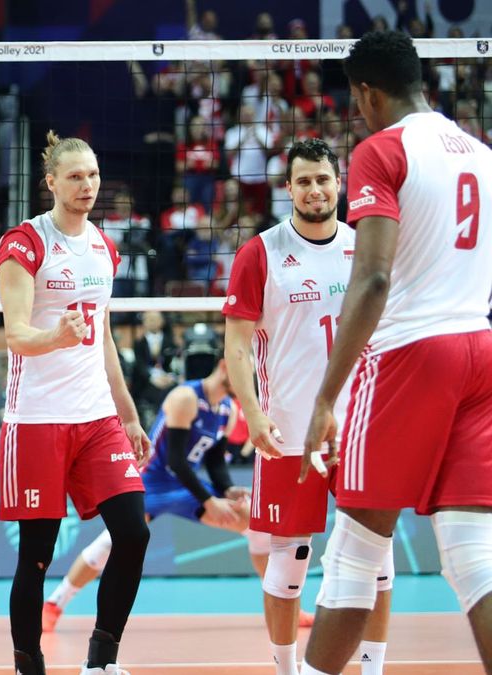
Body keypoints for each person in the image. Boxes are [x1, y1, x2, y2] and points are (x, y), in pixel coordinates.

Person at [299, 32, 492, 674]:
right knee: (474, 557)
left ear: (367, 93)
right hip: (480, 346)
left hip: (412, 353)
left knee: (355, 549)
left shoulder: (382, 150)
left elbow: (373, 278)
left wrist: (326, 398)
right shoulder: (481, 154)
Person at [223, 138, 394, 675]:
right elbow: (236, 346)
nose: (314, 189)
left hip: (360, 430)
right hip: (289, 430)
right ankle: (287, 670)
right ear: (289, 188)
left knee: (377, 560)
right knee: (289, 563)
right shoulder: (261, 252)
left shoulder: (367, 247)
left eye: (322, 179)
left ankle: (372, 670)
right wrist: (253, 413)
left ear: (339, 184)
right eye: (303, 181)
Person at [0, 130, 151, 675]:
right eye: (76, 176)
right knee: (36, 557)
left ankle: (101, 662)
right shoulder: (24, 243)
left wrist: (128, 414)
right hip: (37, 419)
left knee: (133, 532)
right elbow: (16, 334)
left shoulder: (105, 248)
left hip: (96, 417)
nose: (88, 185)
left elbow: (103, 337)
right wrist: (55, 337)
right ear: (51, 183)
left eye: (93, 175)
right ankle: (28, 666)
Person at [42, 360, 269, 632]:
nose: (246, 381)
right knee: (110, 544)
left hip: (185, 485)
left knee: (257, 526)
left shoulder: (227, 409)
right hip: (153, 480)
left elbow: (215, 461)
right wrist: (210, 502)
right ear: (224, 366)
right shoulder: (186, 397)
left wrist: (227, 489)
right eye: (242, 372)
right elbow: (175, 460)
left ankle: (276, 604)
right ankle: (54, 603)